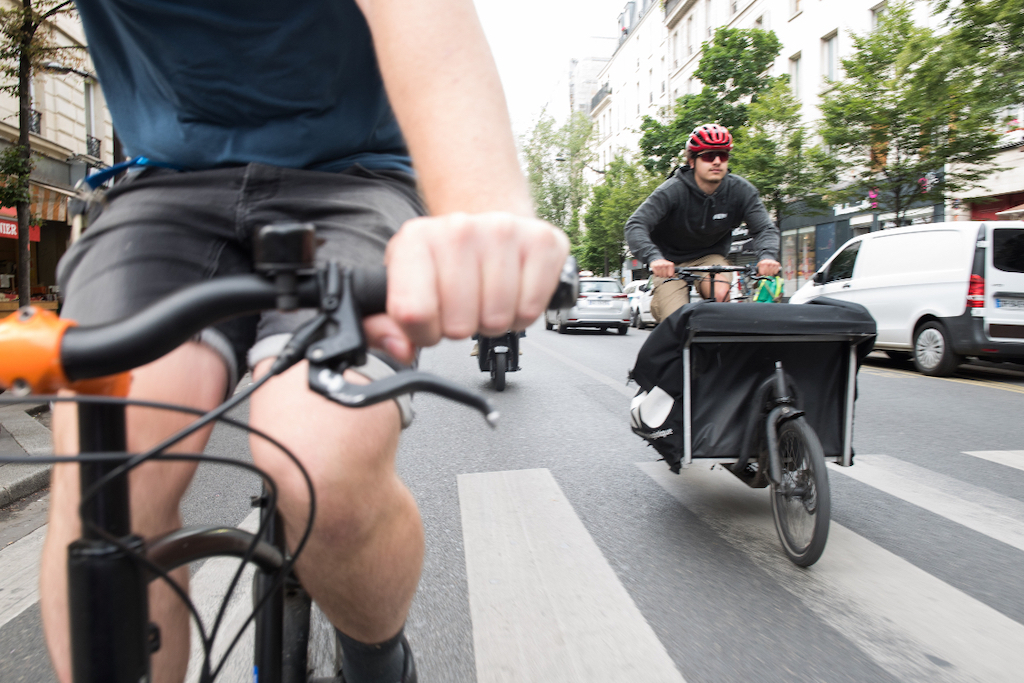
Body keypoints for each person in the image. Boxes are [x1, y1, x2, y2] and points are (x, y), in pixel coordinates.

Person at [38, 2, 569, 683]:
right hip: (162, 186)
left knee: (322, 456)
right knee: (105, 489)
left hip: (355, 179)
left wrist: (482, 211)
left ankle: (376, 660)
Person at [624, 123, 780, 321]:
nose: (716, 162)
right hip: (669, 262)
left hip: (709, 258)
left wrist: (767, 256)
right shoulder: (672, 191)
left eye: (722, 156)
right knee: (675, 320)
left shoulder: (741, 191)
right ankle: (666, 316)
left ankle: (713, 347)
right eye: (708, 156)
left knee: (721, 294)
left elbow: (764, 228)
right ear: (692, 161)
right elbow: (636, 225)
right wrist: (654, 258)